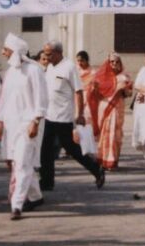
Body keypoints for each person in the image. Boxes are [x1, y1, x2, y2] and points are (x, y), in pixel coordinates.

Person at [0, 33, 48, 221]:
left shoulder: (35, 70)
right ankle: (36, 196)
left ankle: (16, 205)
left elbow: (41, 98)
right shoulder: (10, 73)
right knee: (16, 163)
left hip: (28, 124)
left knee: (23, 163)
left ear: (15, 51)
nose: (3, 53)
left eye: (6, 49)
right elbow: (3, 99)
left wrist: (36, 121)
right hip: (11, 125)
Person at [39, 41, 105, 191]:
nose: (46, 57)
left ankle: (96, 169)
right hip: (49, 115)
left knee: (72, 148)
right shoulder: (49, 67)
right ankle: (47, 181)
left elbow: (78, 92)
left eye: (49, 54)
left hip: (63, 116)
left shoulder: (69, 67)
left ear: (58, 52)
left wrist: (79, 114)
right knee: (46, 150)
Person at [87, 52, 132, 171]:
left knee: (114, 135)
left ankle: (112, 160)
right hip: (105, 107)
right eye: (112, 62)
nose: (114, 64)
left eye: (117, 62)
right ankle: (104, 159)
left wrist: (124, 89)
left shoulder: (124, 76)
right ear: (108, 63)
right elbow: (96, 95)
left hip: (117, 107)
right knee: (106, 134)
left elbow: (129, 94)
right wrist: (94, 89)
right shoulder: (101, 77)